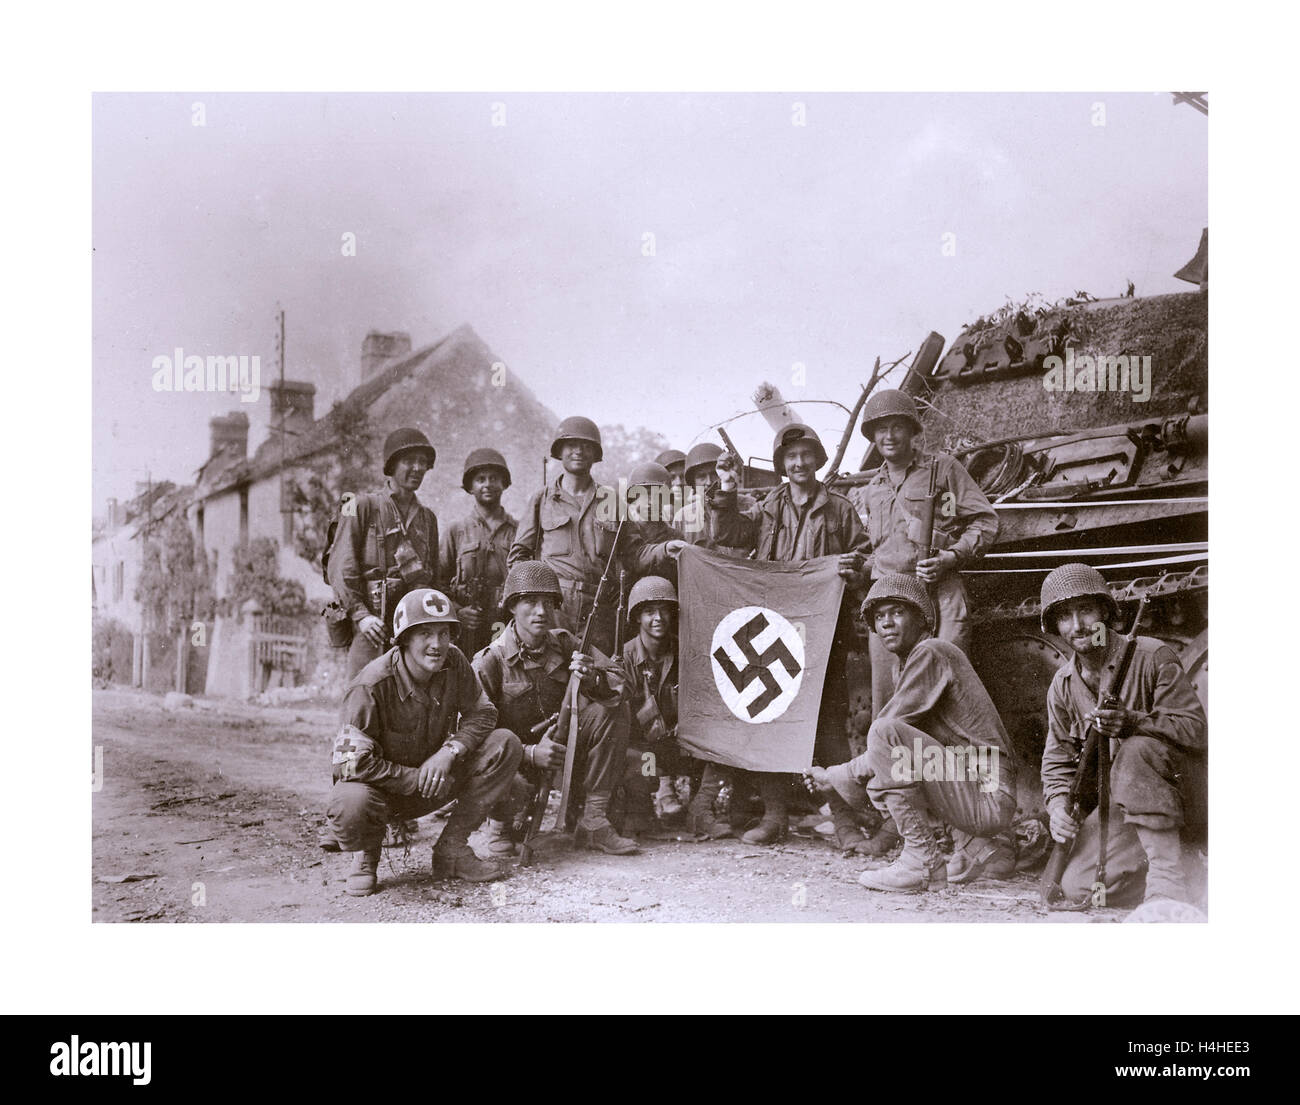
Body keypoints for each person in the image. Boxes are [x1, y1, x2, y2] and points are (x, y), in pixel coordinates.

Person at [705, 423, 881, 854]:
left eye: (806, 455)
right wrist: (725, 491)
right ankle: (775, 814)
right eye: (791, 457)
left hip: (825, 632)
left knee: (827, 725)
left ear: (817, 460)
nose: (799, 463)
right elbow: (725, 534)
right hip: (774, 631)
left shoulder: (839, 509)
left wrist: (853, 568)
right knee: (769, 718)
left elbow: (867, 557)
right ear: (782, 465)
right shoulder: (766, 508)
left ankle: (843, 822)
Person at [805, 574, 1017, 892]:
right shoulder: (905, 664)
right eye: (880, 616)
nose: (887, 623)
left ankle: (921, 862)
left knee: (884, 735)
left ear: (922, 618)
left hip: (988, 791)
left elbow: (887, 739)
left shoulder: (931, 652)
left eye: (897, 612)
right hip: (980, 786)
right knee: (891, 761)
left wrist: (835, 775)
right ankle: (976, 849)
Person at [325, 588, 522, 895]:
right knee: (350, 800)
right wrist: (414, 778)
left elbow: (484, 713)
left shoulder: (453, 662)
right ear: (403, 639)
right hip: (385, 792)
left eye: (444, 633)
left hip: (437, 779)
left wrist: (450, 752)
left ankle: (452, 849)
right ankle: (366, 855)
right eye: (426, 634)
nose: (438, 644)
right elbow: (348, 763)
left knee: (504, 744)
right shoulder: (369, 686)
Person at [1039, 563, 1207, 905]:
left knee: (1136, 750)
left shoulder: (1151, 656)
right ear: (1055, 625)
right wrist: (1058, 807)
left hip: (1186, 797)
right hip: (1125, 806)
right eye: (1065, 616)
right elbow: (1056, 760)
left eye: (1085, 610)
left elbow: (1196, 731)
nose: (1078, 625)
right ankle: (1191, 875)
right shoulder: (1063, 685)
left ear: (1105, 611)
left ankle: (1166, 887)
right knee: (1082, 888)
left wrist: (1133, 722)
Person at [473, 560, 639, 857]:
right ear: (511, 606)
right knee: (512, 787)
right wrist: (528, 753)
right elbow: (471, 733)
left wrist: (594, 678)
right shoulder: (490, 660)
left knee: (612, 709)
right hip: (515, 761)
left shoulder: (564, 643)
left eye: (547, 603)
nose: (540, 611)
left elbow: (621, 683)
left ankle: (593, 819)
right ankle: (500, 825)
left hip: (564, 751)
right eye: (530, 602)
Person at [854, 389, 998, 714]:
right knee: (890, 702)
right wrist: (858, 566)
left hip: (937, 593)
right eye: (881, 429)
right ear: (873, 436)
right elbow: (879, 552)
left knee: (945, 690)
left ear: (911, 430)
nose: (889, 436)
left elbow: (985, 522)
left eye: (897, 427)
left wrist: (952, 556)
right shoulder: (871, 489)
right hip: (888, 604)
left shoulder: (941, 469)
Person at [618, 575, 730, 837]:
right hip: (644, 749)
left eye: (664, 611)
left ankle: (700, 811)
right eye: (649, 612)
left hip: (682, 743)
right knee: (636, 765)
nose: (658, 618)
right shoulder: (624, 657)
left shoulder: (685, 652)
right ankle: (642, 810)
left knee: (723, 738)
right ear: (637, 617)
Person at [327, 427, 443, 679]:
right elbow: (341, 567)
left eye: (422, 462)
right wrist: (362, 617)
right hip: (371, 626)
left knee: (411, 703)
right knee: (364, 699)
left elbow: (432, 578)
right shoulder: (361, 506)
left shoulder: (428, 519)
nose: (417, 468)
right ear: (391, 465)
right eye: (409, 461)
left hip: (412, 630)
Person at [508, 415, 624, 657]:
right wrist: (534, 597)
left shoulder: (611, 500)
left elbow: (634, 555)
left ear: (595, 454)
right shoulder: (541, 499)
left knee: (596, 677)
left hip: (599, 609)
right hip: (554, 608)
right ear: (560, 451)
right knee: (552, 675)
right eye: (571, 445)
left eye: (586, 446)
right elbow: (518, 556)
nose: (578, 451)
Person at [440, 448, 518, 659]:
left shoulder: (519, 531)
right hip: (467, 627)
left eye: (494, 478)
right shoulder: (456, 531)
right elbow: (438, 583)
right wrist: (457, 611)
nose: (488, 484)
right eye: (480, 479)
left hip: (506, 623)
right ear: (470, 487)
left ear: (504, 484)